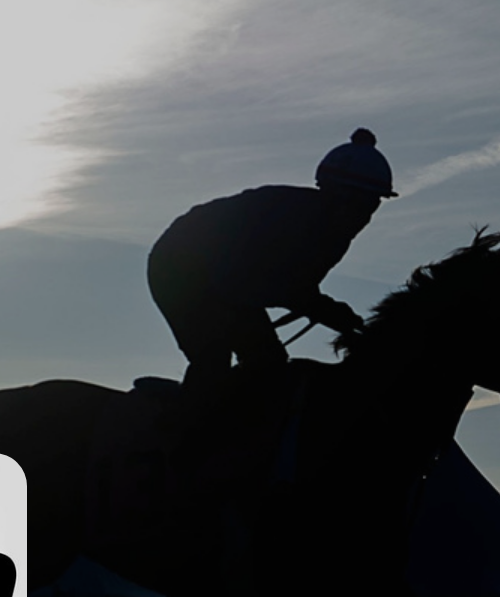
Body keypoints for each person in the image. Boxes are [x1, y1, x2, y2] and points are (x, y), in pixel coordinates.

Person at [148, 128, 396, 418]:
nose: (365, 214)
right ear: (337, 194)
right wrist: (324, 310)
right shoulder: (292, 217)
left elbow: (294, 287)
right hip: (179, 269)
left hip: (223, 279)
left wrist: (325, 310)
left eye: (373, 204)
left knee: (269, 362)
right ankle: (180, 429)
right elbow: (247, 283)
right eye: (361, 203)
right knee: (213, 358)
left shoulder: (335, 233)